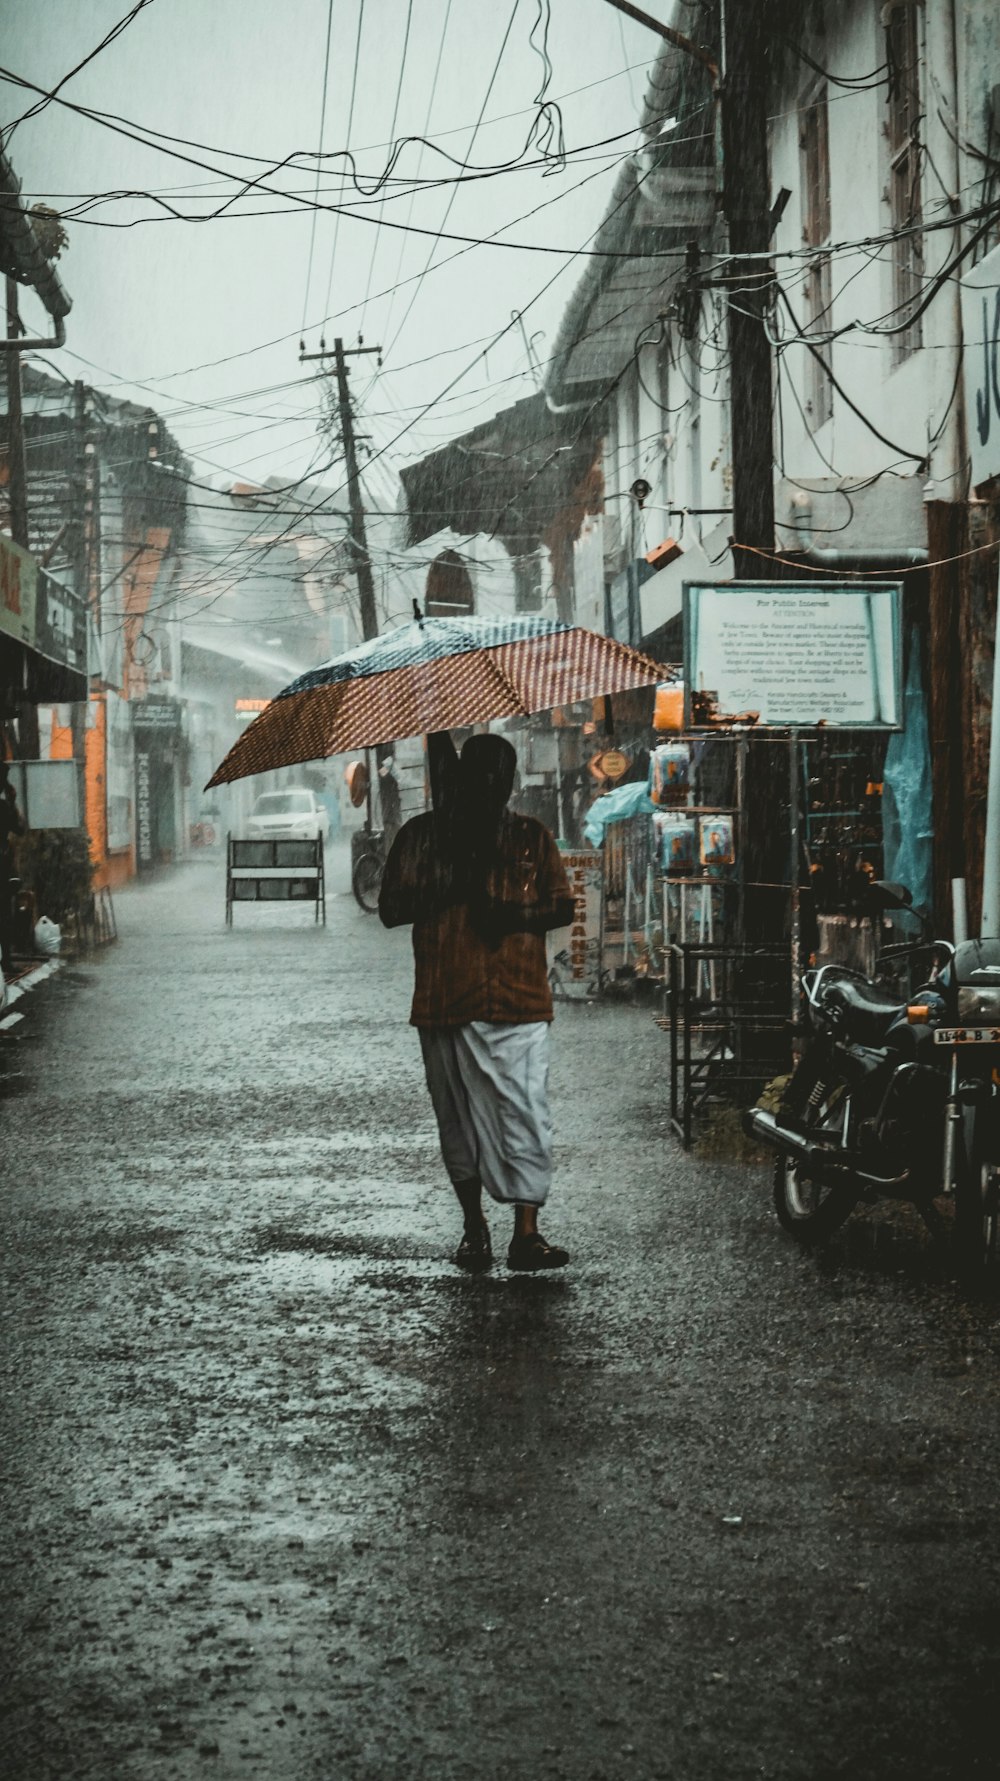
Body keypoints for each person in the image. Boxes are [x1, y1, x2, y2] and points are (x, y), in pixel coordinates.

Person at [379, 732, 575, 1273]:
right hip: (445, 999)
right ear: (463, 779)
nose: (491, 787)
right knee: (458, 1120)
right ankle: (473, 1228)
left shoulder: (531, 838)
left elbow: (560, 908)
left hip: (518, 1001)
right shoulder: (422, 837)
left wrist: (509, 916)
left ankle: (527, 1235)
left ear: (511, 783)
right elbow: (391, 908)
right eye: (480, 775)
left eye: (500, 776)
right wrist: (450, 884)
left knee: (526, 1115)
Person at [0, 764, 26, 981]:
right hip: (2, 866)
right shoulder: (3, 807)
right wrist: (13, 801)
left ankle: (6, 958)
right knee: (4, 915)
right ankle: (5, 959)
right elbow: (20, 828)